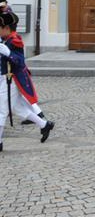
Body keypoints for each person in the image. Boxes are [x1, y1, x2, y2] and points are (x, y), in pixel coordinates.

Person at [0, 12, 54, 151]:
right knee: (17, 107)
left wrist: (8, 53)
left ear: (6, 28)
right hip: (6, 78)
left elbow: (19, 61)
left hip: (11, 79)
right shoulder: (5, 39)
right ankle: (44, 124)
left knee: (2, 110)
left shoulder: (14, 40)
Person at [0, 0, 46, 125]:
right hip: (9, 68)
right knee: (20, 97)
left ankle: (40, 117)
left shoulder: (6, 18)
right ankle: (41, 119)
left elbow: (16, 56)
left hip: (12, 69)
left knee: (21, 95)